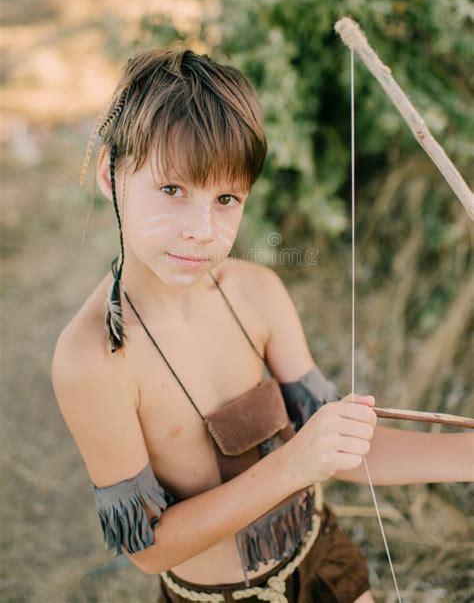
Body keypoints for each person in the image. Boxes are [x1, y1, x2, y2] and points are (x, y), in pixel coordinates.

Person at [51, 48, 472, 603]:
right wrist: (296, 463)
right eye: (172, 189)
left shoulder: (257, 294)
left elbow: (342, 450)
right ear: (110, 173)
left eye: (226, 199)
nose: (201, 230)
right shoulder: (93, 359)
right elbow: (149, 549)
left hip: (321, 558)